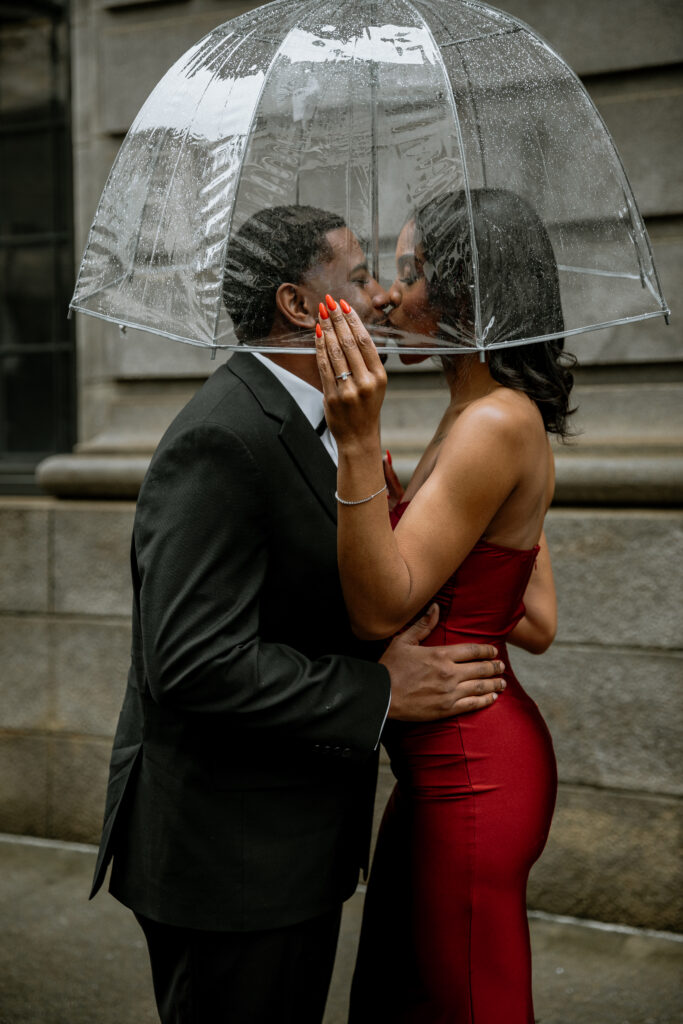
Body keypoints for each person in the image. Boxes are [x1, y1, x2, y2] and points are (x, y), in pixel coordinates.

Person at [89, 203, 507, 1024]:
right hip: (229, 864)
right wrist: (377, 691)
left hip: (285, 849)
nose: (382, 298)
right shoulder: (226, 435)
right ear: (296, 304)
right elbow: (191, 662)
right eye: (357, 279)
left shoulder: (327, 419)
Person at [314, 189, 575, 1023]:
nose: (387, 297)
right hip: (442, 769)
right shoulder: (473, 413)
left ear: (467, 294)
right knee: (400, 998)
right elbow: (533, 623)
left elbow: (375, 608)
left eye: (412, 273)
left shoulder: (492, 423)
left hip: (472, 772)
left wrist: (356, 448)